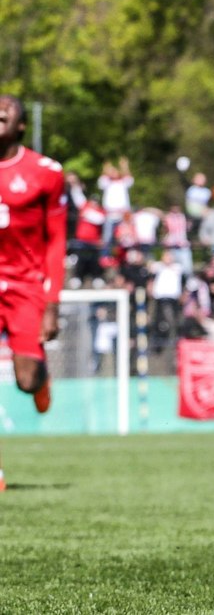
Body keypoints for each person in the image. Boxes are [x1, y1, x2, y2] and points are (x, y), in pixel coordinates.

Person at [0, 95, 66, 488]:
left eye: (3, 114)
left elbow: (57, 242)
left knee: (25, 379)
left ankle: (40, 381)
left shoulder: (45, 173)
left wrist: (52, 303)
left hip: (26, 286)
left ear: (20, 125)